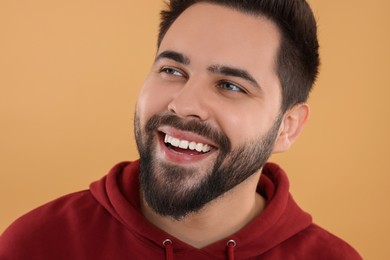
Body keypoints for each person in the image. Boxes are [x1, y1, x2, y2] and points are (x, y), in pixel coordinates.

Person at [0, 0, 362, 259]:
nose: (184, 104)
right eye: (173, 71)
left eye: (231, 86)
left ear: (287, 127)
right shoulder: (36, 245)